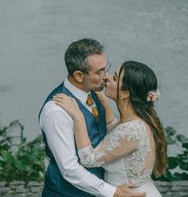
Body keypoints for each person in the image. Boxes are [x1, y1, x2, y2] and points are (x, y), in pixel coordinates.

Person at [39, 39, 146, 197]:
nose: (106, 77)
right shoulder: (56, 112)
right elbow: (69, 168)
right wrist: (112, 191)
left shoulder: (95, 93)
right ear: (79, 75)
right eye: (99, 72)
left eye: (106, 68)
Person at [53, 61, 166, 197]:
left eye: (114, 78)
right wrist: (103, 98)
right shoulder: (139, 120)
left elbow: (88, 159)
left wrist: (78, 116)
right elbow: (114, 129)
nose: (107, 77)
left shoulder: (131, 130)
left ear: (125, 93)